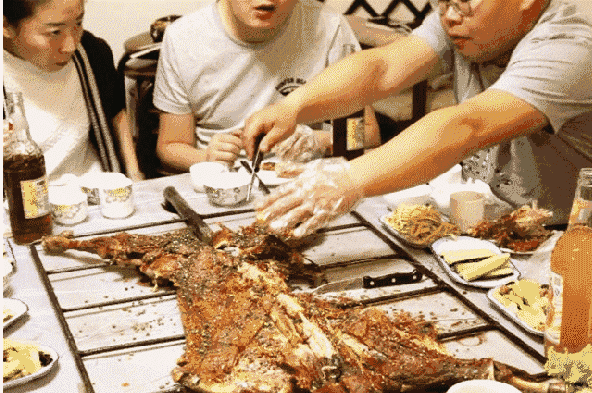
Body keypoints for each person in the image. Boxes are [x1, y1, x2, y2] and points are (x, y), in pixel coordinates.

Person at [243, 0, 592, 237]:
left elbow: (467, 126)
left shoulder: (575, 44)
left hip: (570, 238)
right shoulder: (461, 18)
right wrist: (293, 107)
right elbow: (383, 67)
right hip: (499, 218)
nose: (449, 15)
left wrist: (346, 180)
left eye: (461, 3)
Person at [152, 0, 380, 172]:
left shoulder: (329, 27)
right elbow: (170, 146)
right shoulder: (183, 38)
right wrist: (205, 158)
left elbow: (368, 134)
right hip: (225, 179)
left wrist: (321, 141)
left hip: (306, 179)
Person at [3, 0, 144, 182]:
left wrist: (135, 176)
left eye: (78, 23)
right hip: (28, 196)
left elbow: (116, 113)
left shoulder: (91, 52)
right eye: (55, 32)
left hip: (97, 188)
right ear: (5, 26)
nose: (71, 46)